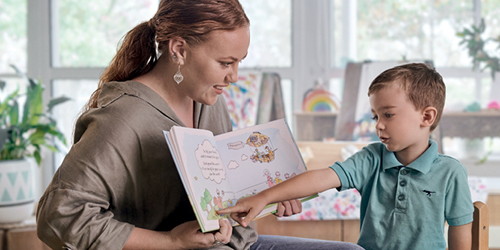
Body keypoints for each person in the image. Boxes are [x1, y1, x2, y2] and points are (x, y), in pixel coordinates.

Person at [35, 1, 363, 249]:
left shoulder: (207, 101)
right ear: (179, 49)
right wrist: (170, 242)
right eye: (225, 63)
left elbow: (222, 189)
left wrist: (270, 197)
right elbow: (59, 215)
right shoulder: (123, 119)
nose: (234, 77)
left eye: (239, 62)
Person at [219, 63, 474, 250]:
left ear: (426, 117)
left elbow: (460, 237)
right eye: (376, 116)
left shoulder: (451, 173)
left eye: (388, 115)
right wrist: (264, 197)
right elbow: (322, 178)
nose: (379, 126)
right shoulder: (372, 158)